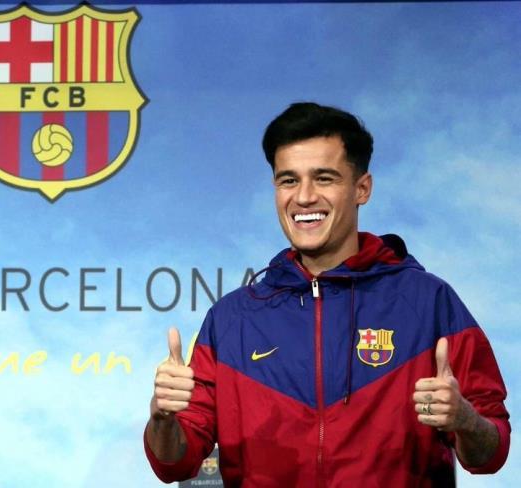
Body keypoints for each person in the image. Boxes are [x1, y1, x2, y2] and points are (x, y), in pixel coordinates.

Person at [144, 102, 510, 486]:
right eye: (288, 180)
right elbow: (174, 464)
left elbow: (492, 453)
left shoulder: (429, 301)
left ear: (362, 189)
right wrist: (162, 417)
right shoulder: (231, 319)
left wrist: (465, 420)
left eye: (323, 178)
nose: (304, 197)